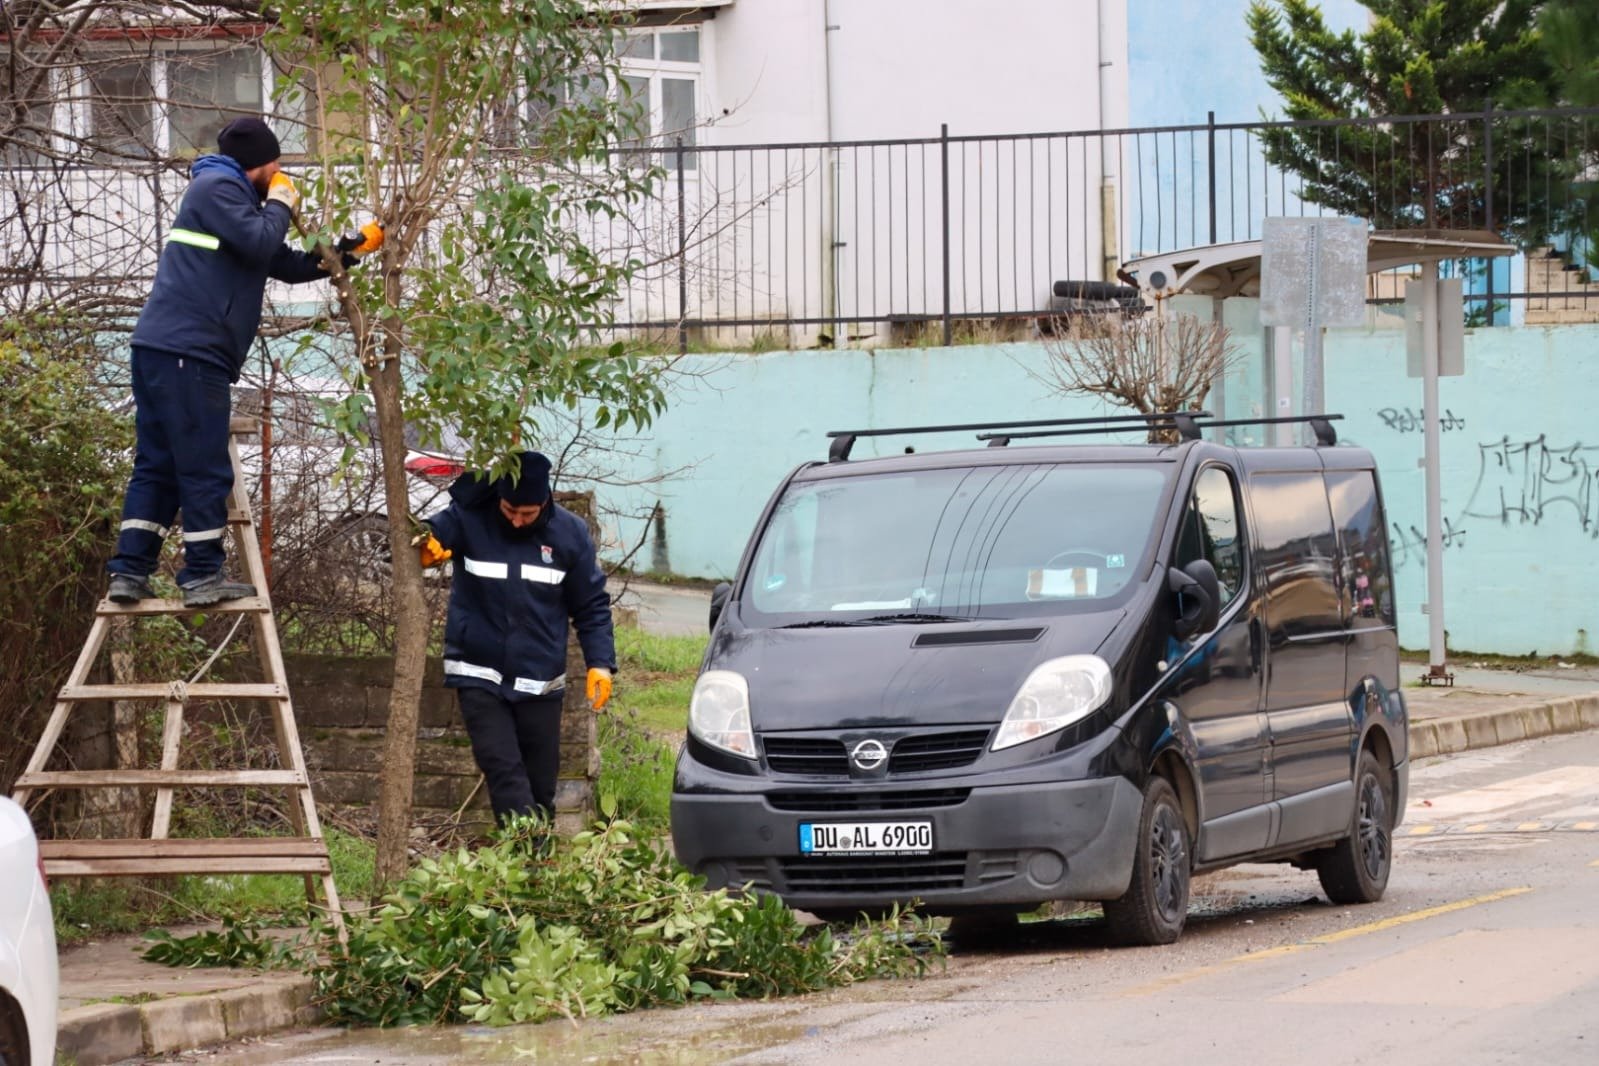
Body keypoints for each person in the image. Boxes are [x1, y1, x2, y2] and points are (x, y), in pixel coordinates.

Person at [106, 116, 383, 607]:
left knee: (160, 465)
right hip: (189, 353)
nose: (280, 173)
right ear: (257, 163)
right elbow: (260, 241)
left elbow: (285, 264)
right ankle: (201, 577)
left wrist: (349, 251)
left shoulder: (233, 203)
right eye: (275, 165)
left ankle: (130, 571)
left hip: (166, 351)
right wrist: (281, 201)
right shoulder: (217, 187)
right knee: (204, 468)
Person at [419, 450, 616, 825]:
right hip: (478, 673)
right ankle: (526, 855)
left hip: (540, 681)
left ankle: (532, 869)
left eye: (528, 514)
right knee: (505, 773)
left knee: (540, 789)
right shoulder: (470, 518)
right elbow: (429, 531)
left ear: (545, 502)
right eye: (510, 510)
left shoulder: (570, 535)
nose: (518, 520)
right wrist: (426, 544)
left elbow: (591, 605)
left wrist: (600, 664)